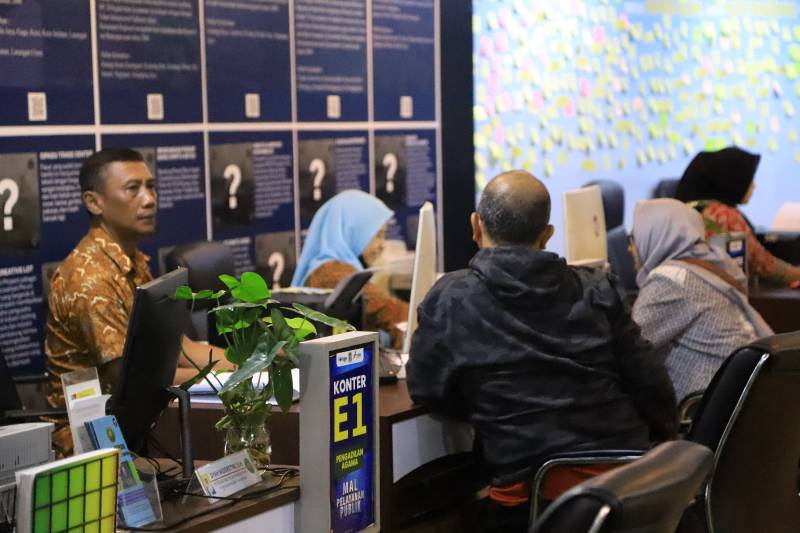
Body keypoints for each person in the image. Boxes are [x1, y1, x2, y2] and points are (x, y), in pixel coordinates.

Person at [406, 170, 676, 532]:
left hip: (530, 504)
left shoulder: (452, 299)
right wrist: (664, 436)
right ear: (547, 234)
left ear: (476, 225)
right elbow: (650, 382)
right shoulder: (597, 289)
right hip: (628, 489)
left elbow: (426, 388)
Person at [45, 148, 226, 456]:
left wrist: (251, 361)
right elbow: (137, 382)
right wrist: (236, 377)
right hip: (88, 442)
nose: (149, 199)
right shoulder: (89, 279)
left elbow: (179, 348)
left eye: (151, 187)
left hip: (139, 425)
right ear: (94, 202)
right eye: (133, 189)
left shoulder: (133, 261)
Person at [630, 199, 773, 402]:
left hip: (707, 406)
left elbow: (629, 349)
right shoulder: (712, 262)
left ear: (655, 236)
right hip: (747, 396)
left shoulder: (670, 279)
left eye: (634, 238)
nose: (630, 249)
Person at [291, 190, 408, 347]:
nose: (382, 244)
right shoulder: (331, 271)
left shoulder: (331, 267)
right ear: (352, 231)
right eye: (378, 235)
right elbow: (389, 313)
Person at [675, 146, 800, 284]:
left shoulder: (683, 209)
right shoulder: (721, 215)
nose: (754, 185)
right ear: (732, 180)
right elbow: (765, 266)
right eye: (749, 178)